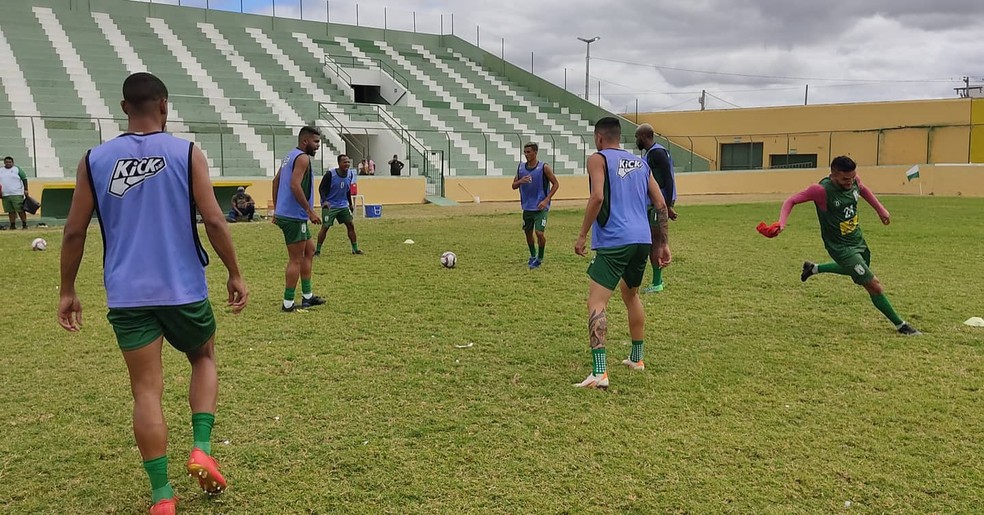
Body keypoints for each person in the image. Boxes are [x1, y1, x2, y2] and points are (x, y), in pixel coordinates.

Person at [57, 72, 249, 515]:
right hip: (182, 287)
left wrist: (67, 289)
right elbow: (216, 221)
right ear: (164, 105)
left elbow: (73, 232)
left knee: (146, 391)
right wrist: (234, 272)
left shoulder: (94, 159)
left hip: (127, 294)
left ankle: (162, 497)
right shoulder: (186, 151)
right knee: (203, 357)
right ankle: (201, 447)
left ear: (125, 108)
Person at [758, 155, 920, 336]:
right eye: (845, 179)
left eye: (852, 178)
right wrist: (782, 223)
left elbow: (863, 189)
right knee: (873, 284)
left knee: (860, 268)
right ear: (833, 174)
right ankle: (901, 325)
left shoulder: (854, 180)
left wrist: (880, 209)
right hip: (840, 247)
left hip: (857, 240)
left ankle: (813, 269)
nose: (850, 182)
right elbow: (791, 200)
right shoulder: (820, 190)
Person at [574, 117, 671, 390]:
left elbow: (597, 197)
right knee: (631, 296)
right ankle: (637, 359)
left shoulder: (597, 159)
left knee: (596, 302)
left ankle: (599, 372)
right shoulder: (640, 163)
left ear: (599, 138)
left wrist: (582, 234)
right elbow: (660, 203)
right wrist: (662, 242)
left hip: (615, 240)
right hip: (641, 240)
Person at [272, 126, 327, 312]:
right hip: (294, 216)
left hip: (288, 213)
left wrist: (276, 209)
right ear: (305, 141)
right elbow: (295, 185)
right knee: (296, 259)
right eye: (316, 141)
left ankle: (307, 296)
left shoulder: (290, 155)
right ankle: (287, 304)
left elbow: (275, 181)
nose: (318, 145)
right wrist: (310, 211)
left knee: (310, 250)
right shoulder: (302, 158)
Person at [635, 124, 678, 293]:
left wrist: (667, 205)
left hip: (656, 204)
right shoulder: (655, 152)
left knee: (655, 242)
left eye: (637, 137)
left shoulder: (656, 153)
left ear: (644, 136)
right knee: (653, 240)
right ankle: (657, 281)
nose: (636, 140)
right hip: (655, 203)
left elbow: (668, 177)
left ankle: (657, 283)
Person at [510, 142, 559, 269]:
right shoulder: (521, 168)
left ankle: (540, 258)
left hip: (540, 207)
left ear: (535, 152)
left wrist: (546, 200)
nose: (526, 154)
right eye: (525, 152)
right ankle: (532, 255)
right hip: (527, 207)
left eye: (529, 152)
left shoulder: (544, 167)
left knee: (539, 233)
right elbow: (513, 186)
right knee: (528, 232)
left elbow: (556, 184)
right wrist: (521, 181)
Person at [316, 154, 364, 256]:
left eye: (348, 162)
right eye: (344, 162)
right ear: (339, 163)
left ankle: (355, 249)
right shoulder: (330, 174)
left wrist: (350, 203)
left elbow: (347, 189)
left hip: (342, 205)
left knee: (350, 225)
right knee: (325, 227)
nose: (347, 164)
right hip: (330, 205)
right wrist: (324, 201)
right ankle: (317, 250)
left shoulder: (350, 174)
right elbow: (321, 189)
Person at [0, 156, 29, 230]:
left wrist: (26, 189)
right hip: (5, 194)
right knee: (10, 211)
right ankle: (12, 225)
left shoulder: (17, 169)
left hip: (17, 193)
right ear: (4, 163)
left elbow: (24, 178)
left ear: (12, 162)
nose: (8, 163)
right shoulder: (1, 170)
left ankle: (24, 224)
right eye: (6, 162)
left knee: (20, 210)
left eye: (9, 162)